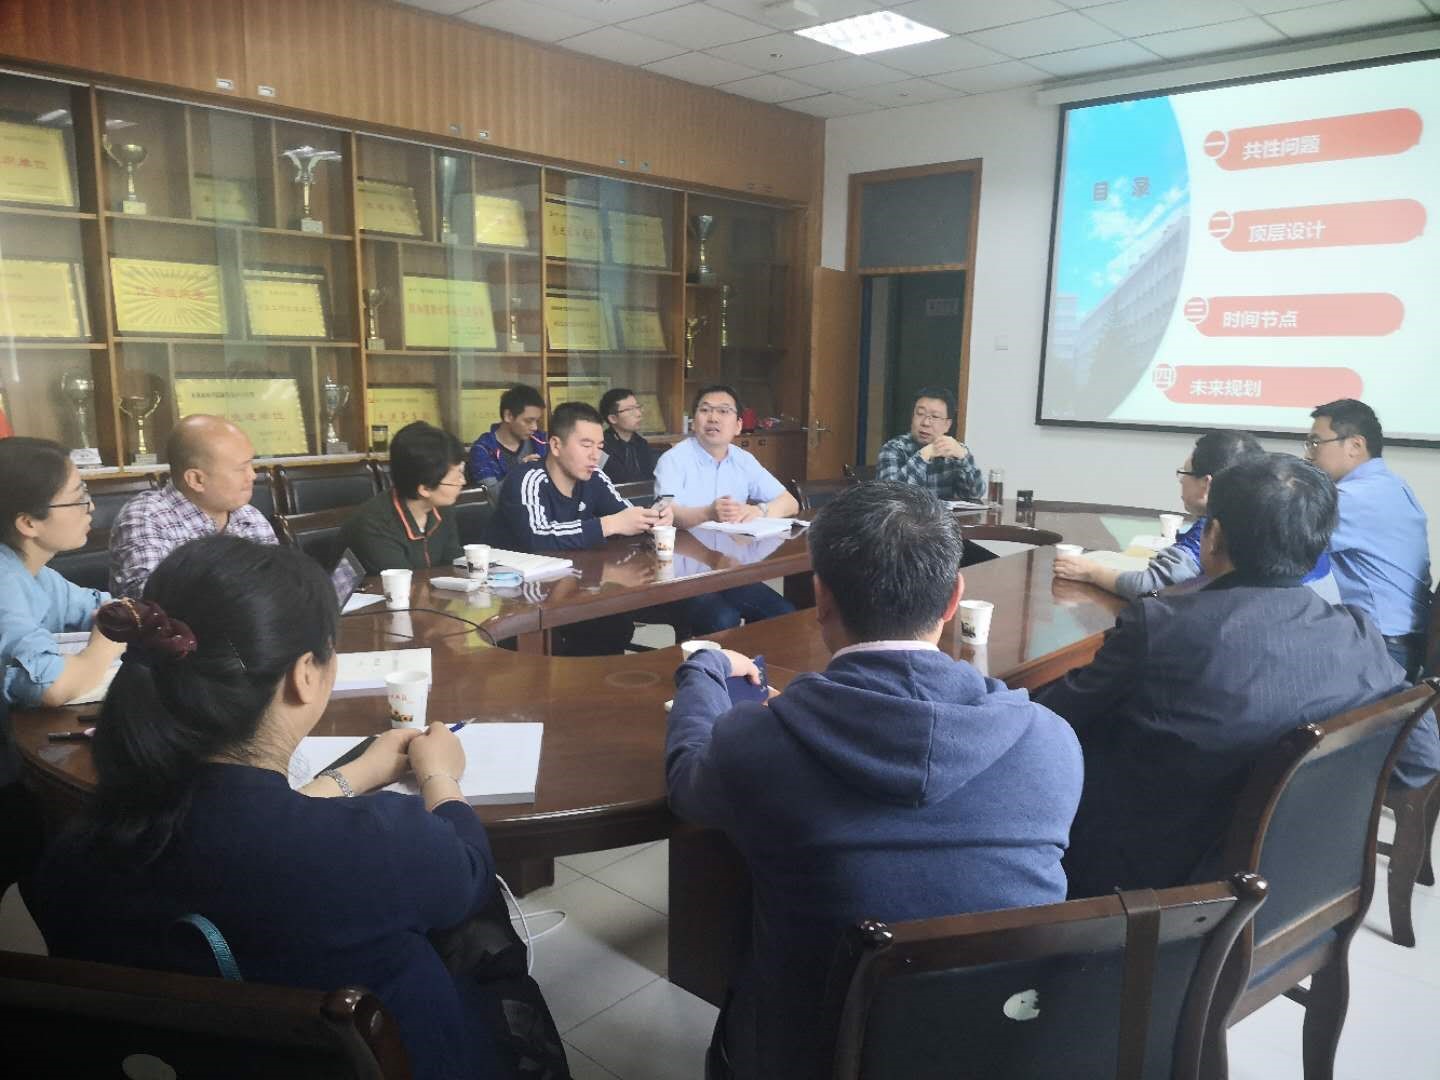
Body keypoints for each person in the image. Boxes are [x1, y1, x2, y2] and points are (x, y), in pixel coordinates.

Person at [31, 535, 506, 1080]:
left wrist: (348, 777)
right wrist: (441, 774)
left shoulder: (71, 855)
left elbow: (240, 826)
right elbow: (469, 874)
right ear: (305, 674)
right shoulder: (374, 846)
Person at [668, 482, 1083, 1079]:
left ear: (820, 597)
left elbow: (688, 784)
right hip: (994, 1049)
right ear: (954, 598)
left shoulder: (760, 742)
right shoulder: (1051, 741)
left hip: (807, 1054)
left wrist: (704, 669)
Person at [1037, 454, 1440, 901]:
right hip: (1298, 894)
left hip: (1155, 892)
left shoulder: (1163, 626)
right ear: (1318, 545)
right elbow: (1421, 758)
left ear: (1213, 536)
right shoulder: (1358, 635)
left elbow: (1051, 717)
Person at [0, 438, 126, 897]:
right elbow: (51, 686)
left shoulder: (33, 572)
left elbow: (101, 607)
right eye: (78, 497)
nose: (90, 507)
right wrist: (107, 642)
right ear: (28, 522)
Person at [491, 402, 670, 654]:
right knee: (583, 634)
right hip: (519, 595)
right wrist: (608, 525)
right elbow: (537, 536)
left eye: (600, 446)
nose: (595, 455)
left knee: (615, 626)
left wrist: (652, 519)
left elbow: (626, 513)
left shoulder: (594, 477)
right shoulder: (528, 479)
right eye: (586, 445)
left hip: (575, 587)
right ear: (556, 445)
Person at [653, 385, 797, 634]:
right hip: (684, 574)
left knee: (782, 612)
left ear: (738, 425)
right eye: (705, 410)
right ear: (693, 421)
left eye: (723, 411)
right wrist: (708, 513)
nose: (713, 418)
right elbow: (667, 513)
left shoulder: (744, 460)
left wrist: (760, 511)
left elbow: (789, 502)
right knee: (722, 618)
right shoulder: (673, 460)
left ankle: (756, 659)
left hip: (730, 569)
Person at [1306, 398, 1432, 678]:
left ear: (1355, 445)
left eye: (1315, 443)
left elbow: (1280, 541)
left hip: (1378, 648)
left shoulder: (1353, 498)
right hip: (1401, 644)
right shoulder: (1393, 485)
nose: (1308, 455)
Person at [108, 415, 276, 598]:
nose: (252, 476)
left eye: (251, 464)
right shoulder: (146, 517)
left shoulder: (250, 516)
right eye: (241, 469)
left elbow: (280, 585)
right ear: (196, 480)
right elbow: (150, 601)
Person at [341, 421, 465, 573]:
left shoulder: (441, 508)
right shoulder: (373, 525)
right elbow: (400, 582)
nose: (463, 481)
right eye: (456, 478)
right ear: (425, 489)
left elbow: (452, 563)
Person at [875, 386, 984, 502]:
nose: (926, 423)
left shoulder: (954, 450)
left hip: (944, 514)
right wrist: (923, 456)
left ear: (947, 425)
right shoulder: (893, 449)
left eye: (935, 416)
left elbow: (975, 494)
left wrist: (964, 458)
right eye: (920, 414)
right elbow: (889, 496)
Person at [467, 383, 547, 494]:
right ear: (508, 416)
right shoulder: (483, 450)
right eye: (528, 421)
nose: (535, 427)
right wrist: (520, 472)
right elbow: (492, 496)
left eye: (537, 421)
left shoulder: (543, 441)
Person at [598, 386, 654, 484]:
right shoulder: (602, 447)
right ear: (613, 418)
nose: (638, 414)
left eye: (637, 407)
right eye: (630, 410)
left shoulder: (642, 444)